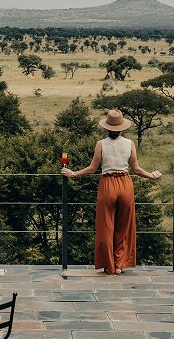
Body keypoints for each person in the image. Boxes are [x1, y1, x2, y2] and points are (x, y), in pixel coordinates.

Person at [61, 109, 161, 274]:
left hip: (107, 184)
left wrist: (73, 174)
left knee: (105, 227)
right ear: (122, 127)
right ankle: (120, 264)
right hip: (125, 183)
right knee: (124, 227)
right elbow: (136, 169)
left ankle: (109, 266)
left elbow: (93, 168)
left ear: (107, 127)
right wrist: (152, 175)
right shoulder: (129, 144)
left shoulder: (101, 144)